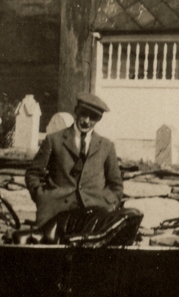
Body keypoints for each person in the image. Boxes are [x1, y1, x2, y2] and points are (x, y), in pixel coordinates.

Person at [25, 93, 123, 227]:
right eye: (83, 114)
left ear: (99, 118)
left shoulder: (106, 146)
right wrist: (42, 197)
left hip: (94, 212)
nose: (87, 121)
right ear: (76, 111)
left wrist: (110, 203)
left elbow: (116, 184)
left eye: (93, 117)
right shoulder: (54, 140)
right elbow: (33, 173)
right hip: (56, 211)